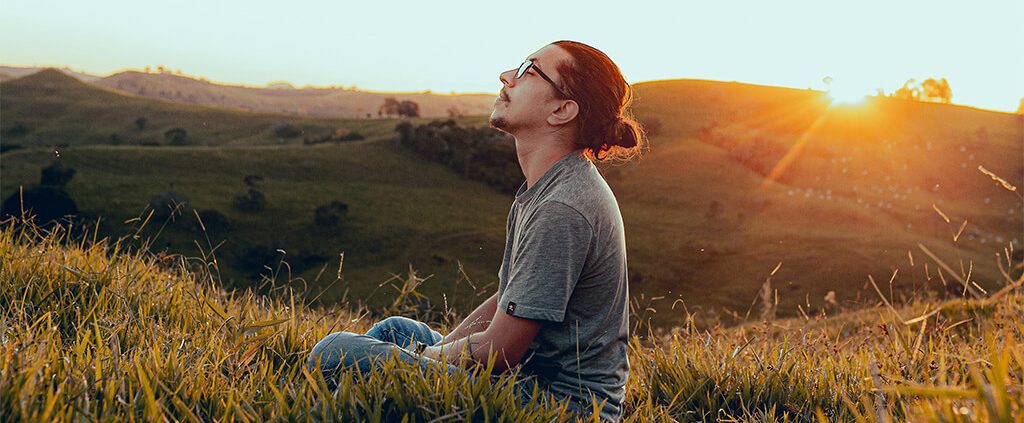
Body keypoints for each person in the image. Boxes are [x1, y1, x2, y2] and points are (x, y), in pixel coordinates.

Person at [307, 40, 644, 422]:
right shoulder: (553, 186)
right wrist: (434, 355)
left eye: (528, 70)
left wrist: (423, 360)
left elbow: (500, 352)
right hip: (529, 382)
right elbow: (509, 299)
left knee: (334, 351)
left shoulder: (561, 207)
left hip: (560, 407)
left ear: (562, 110)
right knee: (396, 330)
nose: (506, 76)